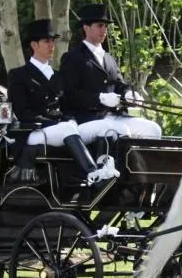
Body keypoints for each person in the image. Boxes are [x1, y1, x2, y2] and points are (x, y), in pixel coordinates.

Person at [7, 18, 118, 184]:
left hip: (62, 128)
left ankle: (104, 167)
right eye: (47, 41)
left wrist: (70, 119)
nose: (52, 45)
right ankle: (93, 173)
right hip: (34, 131)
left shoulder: (58, 76)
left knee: (105, 126)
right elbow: (23, 112)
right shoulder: (19, 75)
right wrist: (56, 123)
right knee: (66, 128)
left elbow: (66, 106)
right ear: (34, 45)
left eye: (53, 41)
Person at [59, 3, 162, 140]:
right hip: (87, 119)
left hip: (115, 116)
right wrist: (100, 98)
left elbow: (119, 85)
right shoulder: (73, 57)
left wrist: (129, 95)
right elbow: (69, 95)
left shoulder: (109, 58)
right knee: (113, 131)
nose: (104, 30)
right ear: (86, 27)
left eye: (106, 26)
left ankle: (136, 162)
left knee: (152, 129)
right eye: (100, 26)